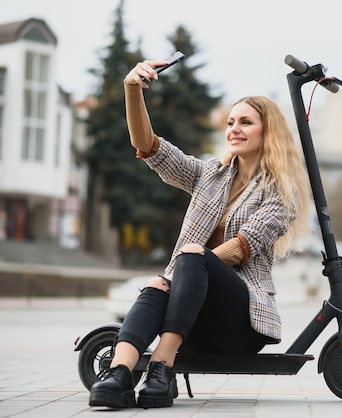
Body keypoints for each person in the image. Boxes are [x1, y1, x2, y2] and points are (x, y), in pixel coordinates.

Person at [89, 59, 311, 409]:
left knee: (185, 261)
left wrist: (183, 270)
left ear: (268, 132)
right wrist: (132, 89)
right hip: (191, 320)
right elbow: (150, 148)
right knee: (156, 285)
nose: (234, 129)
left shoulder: (281, 194)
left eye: (245, 122)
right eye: (230, 122)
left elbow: (241, 248)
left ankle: (161, 368)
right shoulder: (211, 174)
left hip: (239, 324)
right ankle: (119, 375)